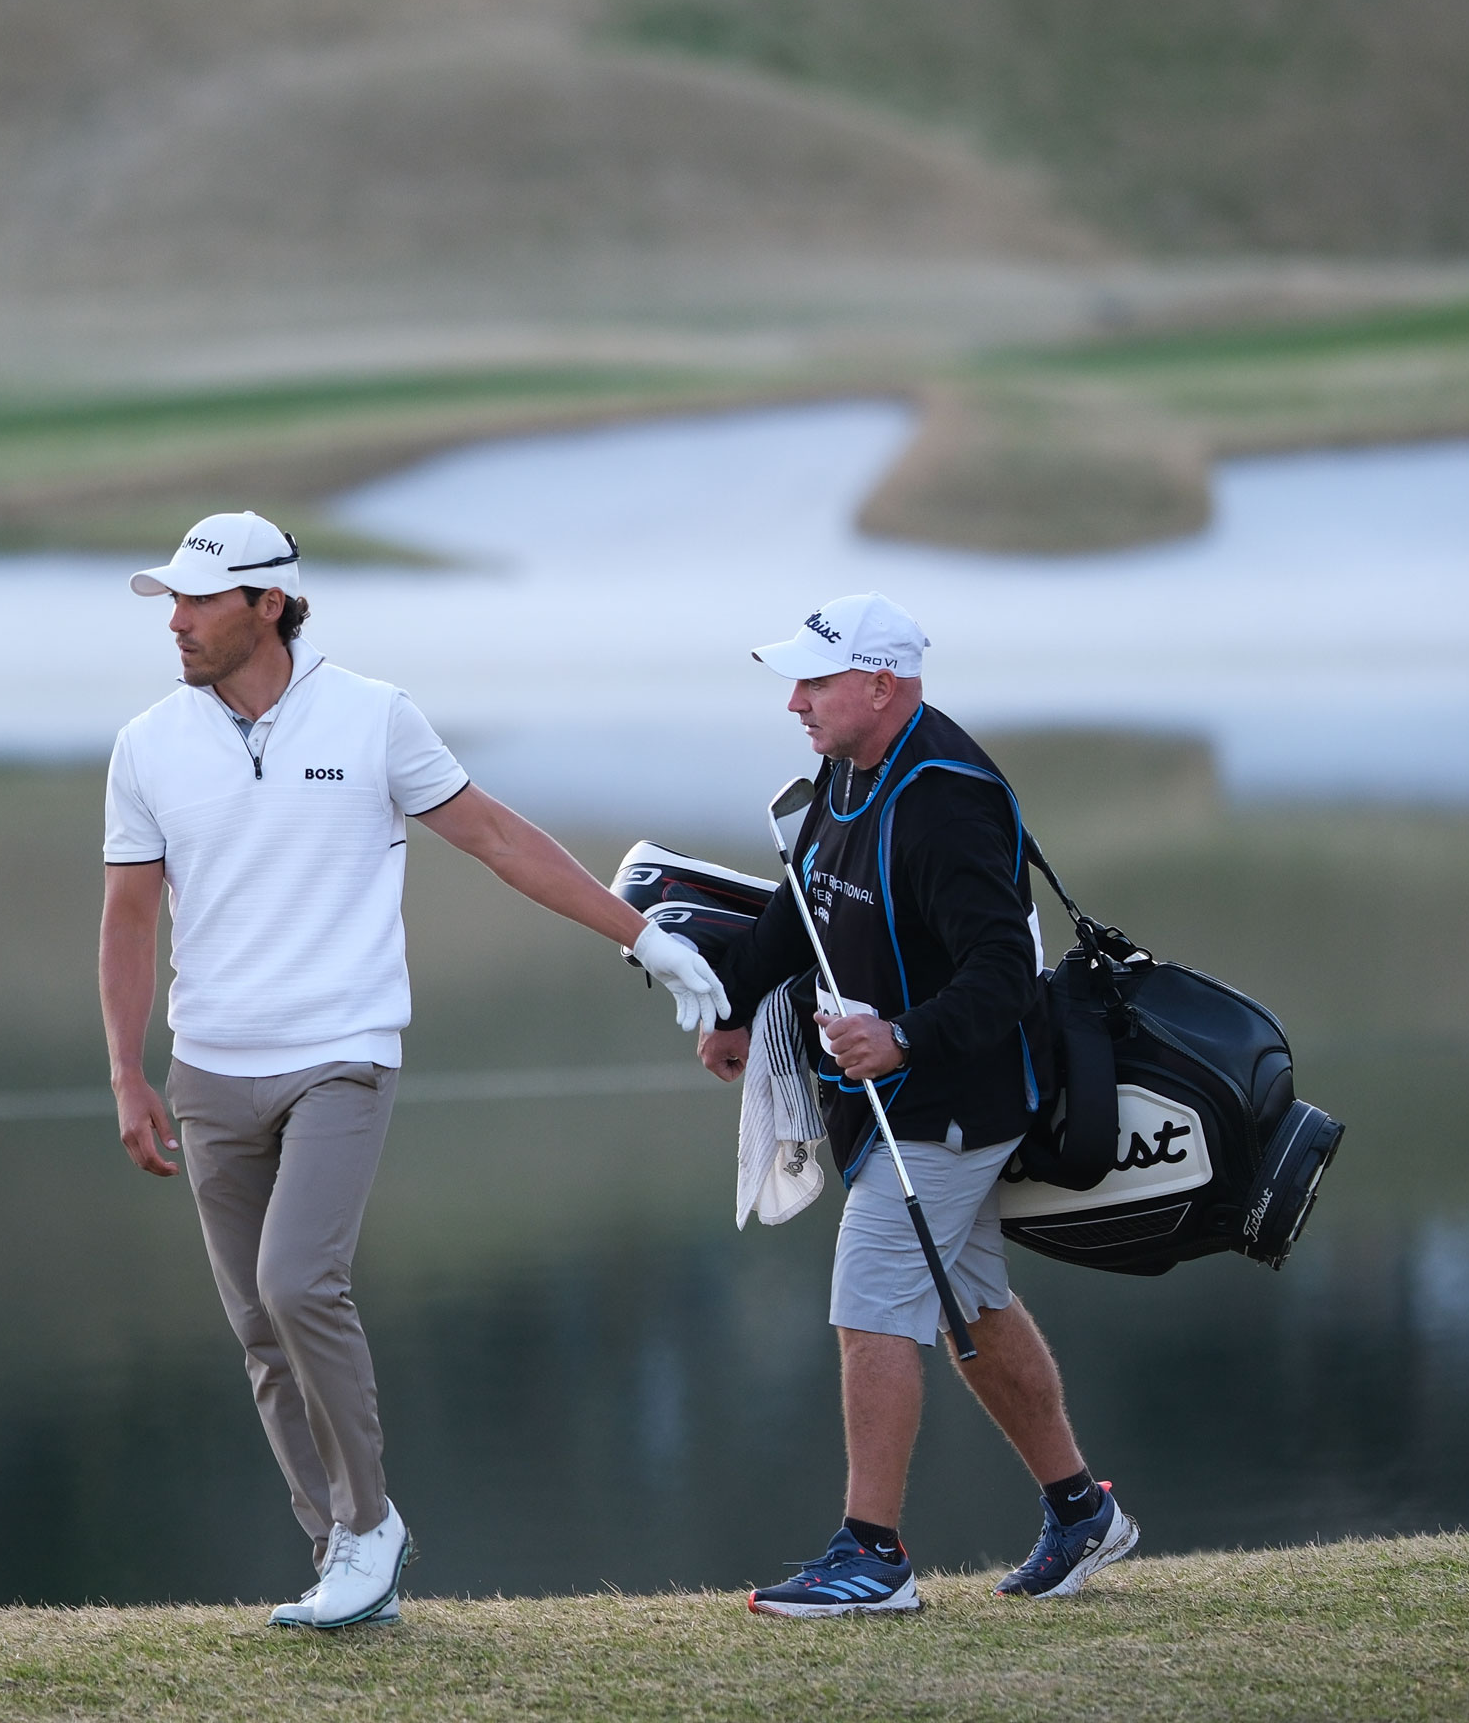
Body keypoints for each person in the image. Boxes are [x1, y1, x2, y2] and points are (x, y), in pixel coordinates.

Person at [98, 510, 729, 1631]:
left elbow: (496, 837)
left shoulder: (373, 716)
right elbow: (128, 918)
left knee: (300, 1281)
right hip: (209, 1068)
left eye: (199, 600)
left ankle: (372, 1525)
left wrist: (640, 935)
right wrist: (126, 1073)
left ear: (270, 603)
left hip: (342, 1051)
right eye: (172, 601)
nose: (178, 621)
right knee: (256, 1324)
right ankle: (342, 1548)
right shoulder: (148, 741)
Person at [697, 591, 1137, 1615]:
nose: (795, 701)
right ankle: (1082, 1510)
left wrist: (899, 1035)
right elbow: (797, 907)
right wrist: (731, 1006)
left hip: (954, 1099)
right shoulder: (851, 769)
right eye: (793, 681)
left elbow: (1003, 972)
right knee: (969, 1301)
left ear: (880, 683)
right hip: (898, 1096)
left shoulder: (946, 795)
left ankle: (873, 1554)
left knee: (870, 1299)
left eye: (816, 680)